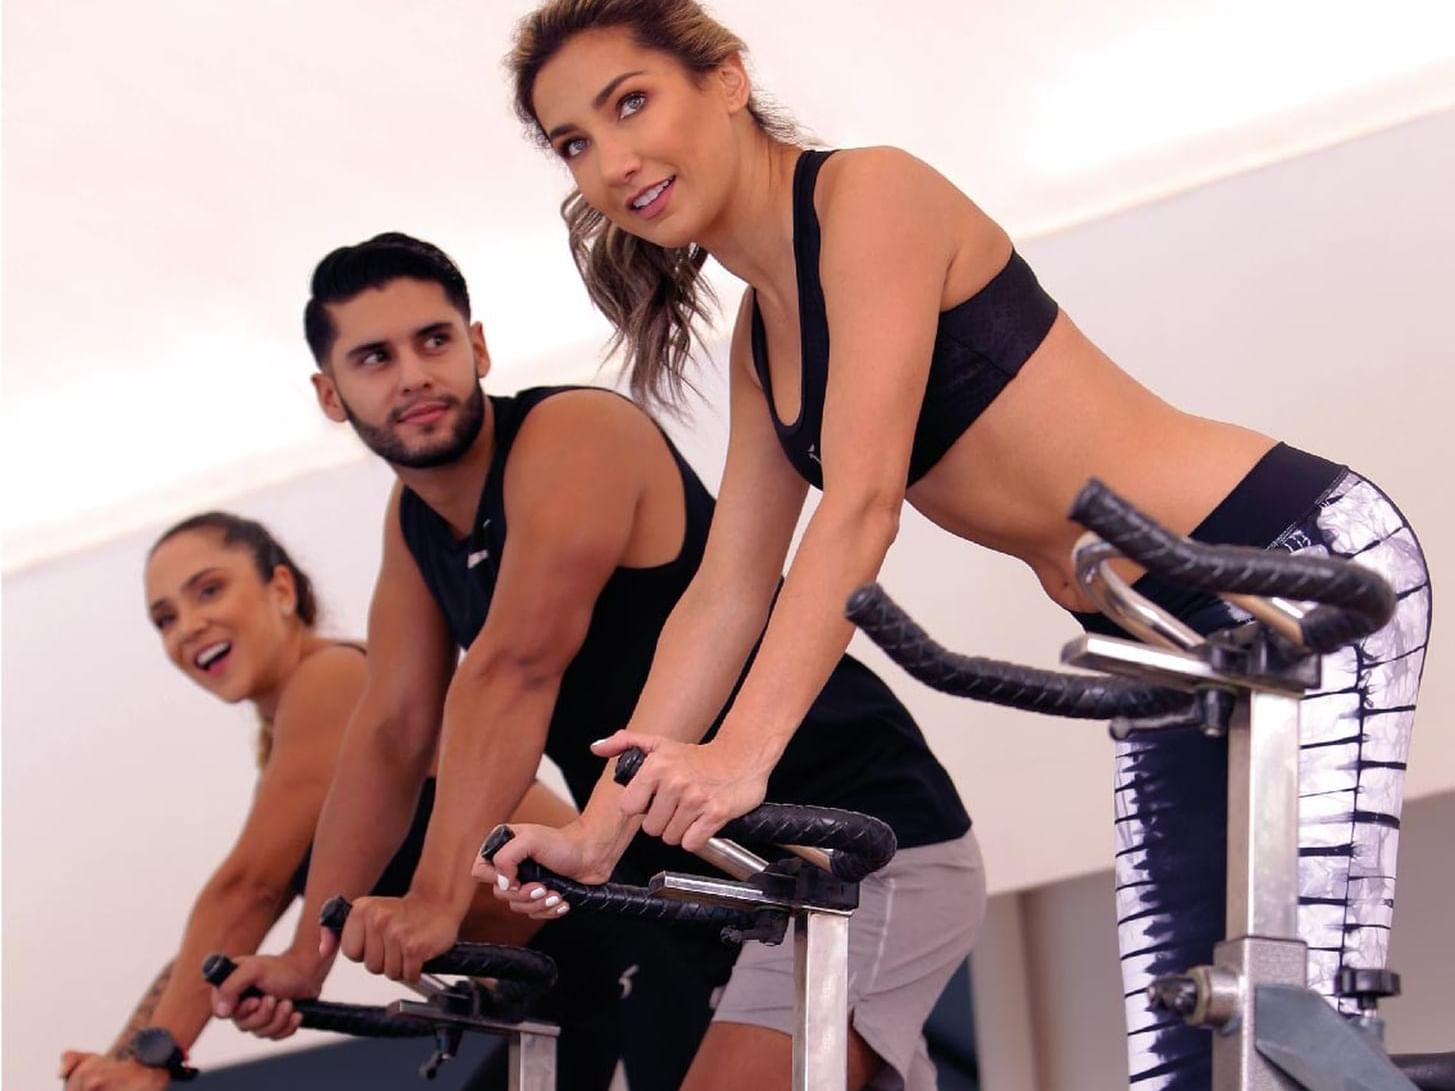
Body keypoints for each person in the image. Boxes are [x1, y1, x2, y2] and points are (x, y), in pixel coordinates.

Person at [502, 3, 1434, 1088]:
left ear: (725, 78)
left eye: (631, 103)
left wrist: (741, 756)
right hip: (1159, 644)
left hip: (1286, 566)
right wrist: (603, 832)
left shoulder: (871, 196)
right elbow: (726, 592)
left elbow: (862, 506)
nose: (613, 160)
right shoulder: (762, 336)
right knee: (1193, 1040)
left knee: (1291, 1011)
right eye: (575, 142)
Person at [212, 231, 981, 1091]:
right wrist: (304, 959)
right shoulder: (415, 521)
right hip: (698, 880)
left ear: (477, 346)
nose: (412, 374)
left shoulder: (572, 434)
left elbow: (513, 667)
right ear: (331, 392)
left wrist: (434, 899)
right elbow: (393, 732)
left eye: (433, 340)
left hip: (851, 842)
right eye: (373, 356)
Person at [57, 512, 575, 1091]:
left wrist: (149, 1061)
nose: (189, 626)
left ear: (281, 588)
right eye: (165, 619)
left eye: (209, 590)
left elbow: (251, 887)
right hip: (547, 991)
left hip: (612, 942)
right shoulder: (288, 751)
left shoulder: (329, 679)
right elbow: (214, 944)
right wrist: (122, 1061)